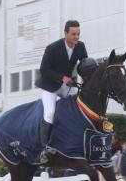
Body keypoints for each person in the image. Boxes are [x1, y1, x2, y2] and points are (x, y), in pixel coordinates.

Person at [35, 20, 88, 163]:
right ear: (65, 33)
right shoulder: (52, 48)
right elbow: (44, 70)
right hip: (50, 87)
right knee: (50, 112)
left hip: (67, 86)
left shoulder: (80, 46)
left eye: (78, 34)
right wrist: (61, 77)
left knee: (79, 108)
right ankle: (44, 148)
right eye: (73, 34)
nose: (76, 37)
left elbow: (84, 64)